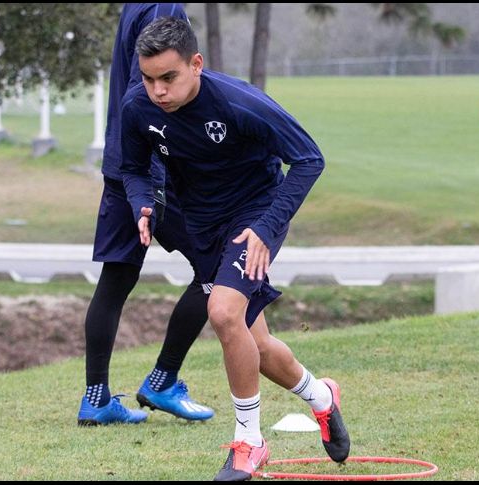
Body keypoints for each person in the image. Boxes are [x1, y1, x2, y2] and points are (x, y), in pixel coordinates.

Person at [120, 17, 350, 481]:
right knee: (255, 345)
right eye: (148, 78)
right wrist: (141, 203)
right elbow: (132, 168)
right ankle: (322, 397)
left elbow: (309, 159)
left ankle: (249, 441)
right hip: (202, 227)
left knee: (224, 313)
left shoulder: (238, 102)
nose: (158, 90)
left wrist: (267, 226)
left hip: (255, 215)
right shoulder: (137, 106)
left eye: (169, 77)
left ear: (196, 64)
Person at [77, 3, 214, 426]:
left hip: (122, 163)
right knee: (218, 267)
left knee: (116, 277)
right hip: (151, 168)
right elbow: (153, 91)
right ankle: (162, 380)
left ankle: (96, 399)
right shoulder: (162, 6)